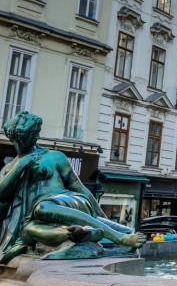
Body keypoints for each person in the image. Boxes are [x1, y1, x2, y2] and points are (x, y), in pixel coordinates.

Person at [0, 111, 145, 261]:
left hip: (70, 201)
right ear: (18, 139)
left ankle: (120, 238)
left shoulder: (54, 157)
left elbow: (79, 187)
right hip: (33, 218)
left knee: (42, 208)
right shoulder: (9, 168)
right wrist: (20, 165)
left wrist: (100, 215)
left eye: (37, 133)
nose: (37, 137)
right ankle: (83, 234)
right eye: (33, 134)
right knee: (30, 230)